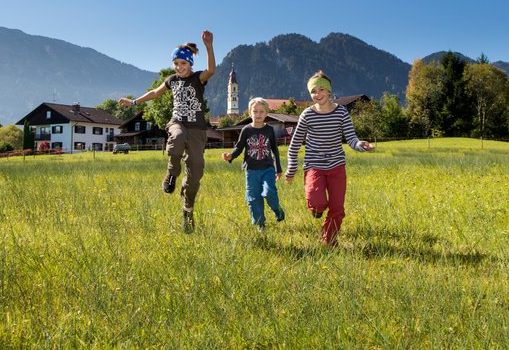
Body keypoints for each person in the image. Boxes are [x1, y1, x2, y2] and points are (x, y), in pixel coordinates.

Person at [119, 30, 215, 233]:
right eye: (176, 64)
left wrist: (208, 47)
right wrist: (134, 101)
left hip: (197, 129)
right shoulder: (171, 80)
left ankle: (187, 210)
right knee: (177, 137)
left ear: (190, 64)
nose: (179, 67)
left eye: (183, 64)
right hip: (177, 122)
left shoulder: (198, 79)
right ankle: (171, 173)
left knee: (196, 173)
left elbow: (211, 70)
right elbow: (155, 93)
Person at [285, 71, 374, 246]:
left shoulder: (341, 113)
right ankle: (316, 209)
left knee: (337, 208)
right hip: (314, 165)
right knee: (317, 201)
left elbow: (351, 138)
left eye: (321, 90)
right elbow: (294, 144)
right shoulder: (307, 115)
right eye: (313, 91)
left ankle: (329, 239)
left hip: (336, 166)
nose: (317, 94)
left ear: (329, 91)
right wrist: (291, 168)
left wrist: (360, 145)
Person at [222, 98, 285, 231]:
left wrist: (278, 168)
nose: (258, 114)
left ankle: (277, 209)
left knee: (269, 192)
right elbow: (239, 148)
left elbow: (274, 149)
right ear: (250, 113)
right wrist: (231, 156)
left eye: (261, 111)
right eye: (255, 111)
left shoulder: (269, 130)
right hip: (251, 171)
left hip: (268, 169)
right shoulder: (246, 130)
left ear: (266, 113)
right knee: (253, 198)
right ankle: (260, 224)